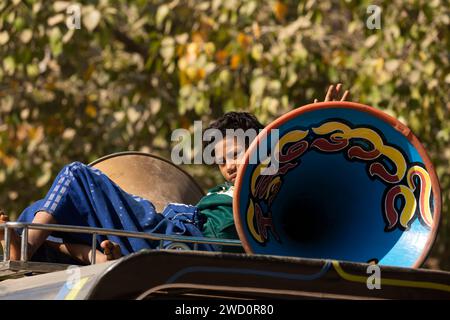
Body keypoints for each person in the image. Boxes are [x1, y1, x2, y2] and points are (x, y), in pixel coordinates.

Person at [0, 84, 349, 264]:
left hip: (177, 239)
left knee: (77, 176)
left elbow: (303, 171)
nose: (229, 165)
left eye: (238, 154)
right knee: (51, 216)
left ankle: (24, 248)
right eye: (221, 160)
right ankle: (90, 255)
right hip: (166, 228)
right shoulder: (217, 192)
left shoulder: (267, 190)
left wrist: (316, 119)